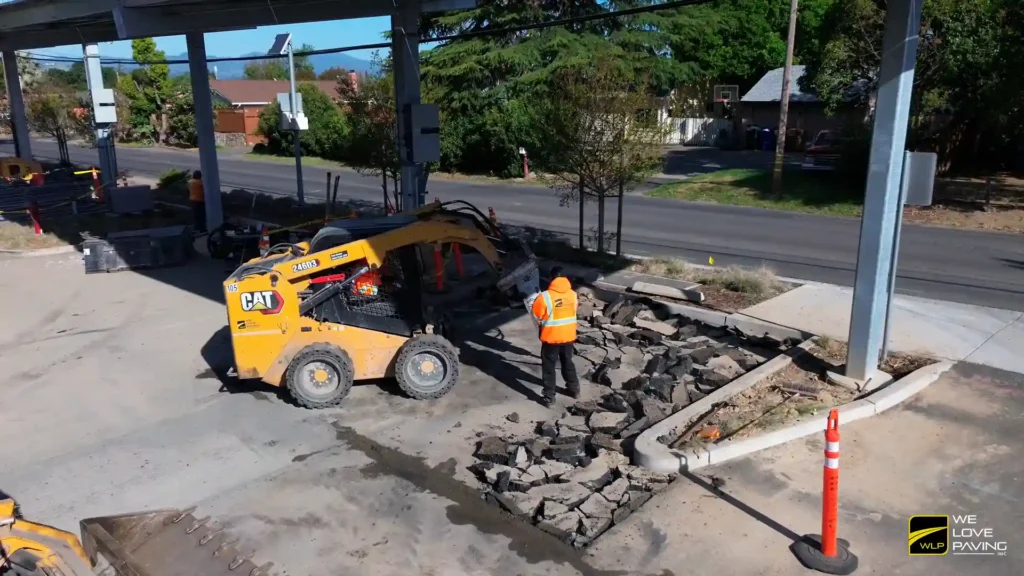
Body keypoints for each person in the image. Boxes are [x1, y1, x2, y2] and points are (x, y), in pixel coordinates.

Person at [530, 266, 580, 407]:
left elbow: (537, 315)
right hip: (568, 336)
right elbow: (573, 310)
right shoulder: (573, 295)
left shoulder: (545, 296)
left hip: (551, 338)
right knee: (568, 362)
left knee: (549, 367)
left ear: (551, 279)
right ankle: (574, 390)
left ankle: (549, 397)